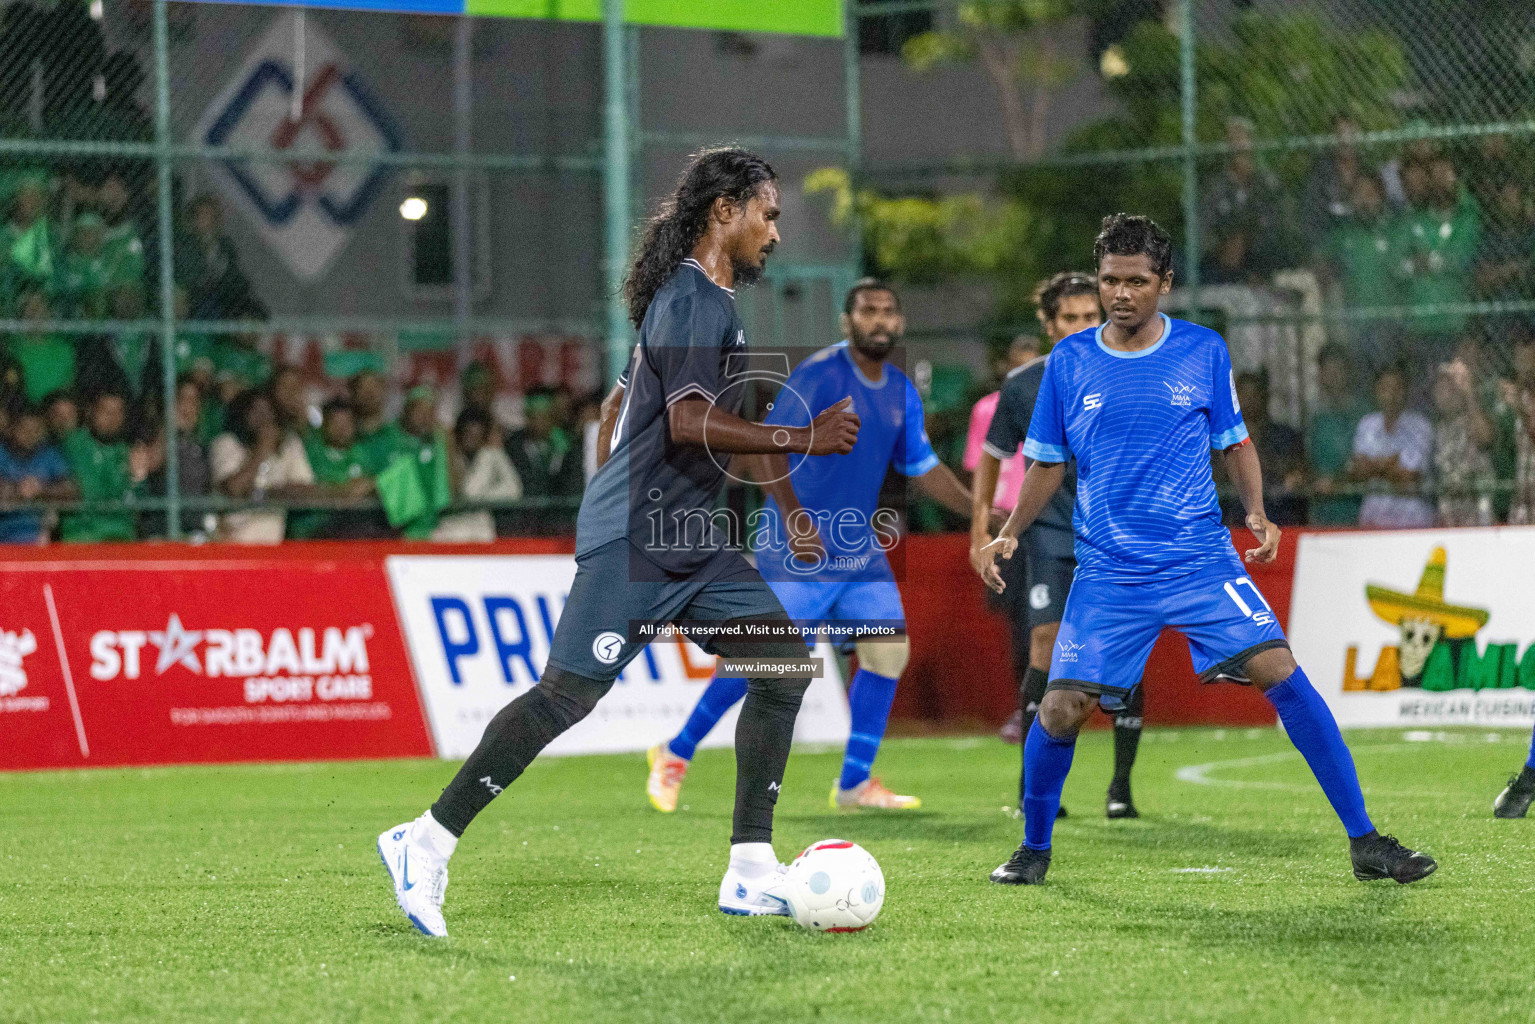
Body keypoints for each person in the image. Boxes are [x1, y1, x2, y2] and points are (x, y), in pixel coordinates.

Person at [377, 148, 861, 937]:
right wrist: (803, 434)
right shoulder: (691, 299)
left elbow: (706, 435)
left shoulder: (715, 305)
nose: (776, 232)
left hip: (693, 538)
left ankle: (748, 870)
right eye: (768, 214)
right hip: (638, 535)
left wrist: (791, 507)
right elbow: (687, 421)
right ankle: (424, 841)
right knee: (568, 697)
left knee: (780, 666)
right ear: (724, 212)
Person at [977, 213, 1435, 887]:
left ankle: (1365, 840)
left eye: (1136, 280)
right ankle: (1034, 847)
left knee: (1281, 671)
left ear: (1164, 282)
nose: (1120, 294)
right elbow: (1044, 463)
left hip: (1199, 559)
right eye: (1110, 281)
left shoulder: (1202, 350)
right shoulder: (1069, 364)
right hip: (1109, 570)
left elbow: (1234, 441)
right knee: (1059, 708)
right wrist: (1010, 529)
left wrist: (1254, 510)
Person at [645, 279, 977, 814]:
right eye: (868, 311)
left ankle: (853, 784)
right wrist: (795, 519)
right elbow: (764, 449)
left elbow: (923, 469)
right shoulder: (821, 374)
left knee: (889, 652)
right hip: (795, 542)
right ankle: (675, 752)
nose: (880, 320)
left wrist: (979, 511)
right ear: (848, 323)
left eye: (889, 311)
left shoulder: (899, 390)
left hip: (856, 546)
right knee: (766, 661)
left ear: (900, 324)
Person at [972, 272, 1146, 818]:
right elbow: (993, 455)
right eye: (1068, 319)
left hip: (1115, 532)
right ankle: (1034, 781)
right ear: (1049, 326)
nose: (1080, 327)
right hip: (1048, 531)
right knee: (1044, 644)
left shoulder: (1131, 374)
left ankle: (1120, 787)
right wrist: (982, 524)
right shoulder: (1023, 385)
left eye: (1088, 317)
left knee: (1124, 651)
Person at [209, 387, 316, 543]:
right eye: (255, 411)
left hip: (273, 546)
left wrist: (268, 493)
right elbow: (233, 488)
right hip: (233, 544)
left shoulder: (289, 445)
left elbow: (305, 489)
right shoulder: (226, 443)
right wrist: (262, 451)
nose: (263, 418)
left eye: (268, 411)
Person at [1347, 362, 1435, 529]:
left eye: (1397, 388)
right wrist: (1390, 464)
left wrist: (1373, 466)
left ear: (1405, 392)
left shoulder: (1420, 426)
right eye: (1385, 388)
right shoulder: (1366, 424)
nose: (1391, 395)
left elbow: (1409, 478)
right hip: (1373, 520)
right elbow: (1358, 473)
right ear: (1376, 392)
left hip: (1412, 522)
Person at [1217, 369, 1306, 526]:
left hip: (1277, 513)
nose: (1248, 400)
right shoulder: (1222, 436)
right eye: (1242, 395)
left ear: (1264, 398)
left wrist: (1255, 454)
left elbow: (1297, 471)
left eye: (1254, 394)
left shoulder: (1283, 434)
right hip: (1235, 517)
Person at [60, 390, 148, 542]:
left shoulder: (126, 450)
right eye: (106, 411)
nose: (112, 419)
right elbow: (89, 494)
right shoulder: (73, 445)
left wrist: (138, 479)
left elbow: (138, 504)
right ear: (90, 412)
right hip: (82, 536)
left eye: (118, 412)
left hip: (122, 537)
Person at [291, 397, 378, 540]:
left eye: (346, 423)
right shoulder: (308, 451)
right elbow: (297, 489)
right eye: (336, 423)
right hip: (309, 535)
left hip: (352, 536)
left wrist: (369, 484)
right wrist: (341, 491)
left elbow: (374, 482)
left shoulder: (363, 454)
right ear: (324, 424)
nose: (342, 429)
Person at [433, 407, 521, 542]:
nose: (471, 439)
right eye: (467, 433)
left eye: (476, 435)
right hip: (449, 531)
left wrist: (480, 499)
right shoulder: (448, 455)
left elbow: (513, 490)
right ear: (460, 433)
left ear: (484, 435)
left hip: (481, 530)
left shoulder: (492, 456)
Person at [1307, 344, 1372, 526]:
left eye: (1338, 369)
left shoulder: (1364, 414)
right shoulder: (1316, 416)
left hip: (1356, 508)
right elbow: (1309, 459)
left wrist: (1337, 482)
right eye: (1327, 370)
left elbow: (1367, 463)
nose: (1333, 376)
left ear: (1348, 372)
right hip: (1322, 509)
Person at [1430, 359, 1495, 527]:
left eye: (1451, 386)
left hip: (1476, 510)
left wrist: (1469, 395)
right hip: (1448, 511)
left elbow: (1485, 437)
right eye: (1441, 387)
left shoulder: (1473, 417)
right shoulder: (1437, 428)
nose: (1446, 393)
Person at [0, 404, 76, 544]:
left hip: (40, 536)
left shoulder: (50, 454)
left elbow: (71, 491)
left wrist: (42, 490)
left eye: (36, 430)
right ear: (11, 429)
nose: (30, 435)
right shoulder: (2, 453)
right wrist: (18, 489)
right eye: (24, 429)